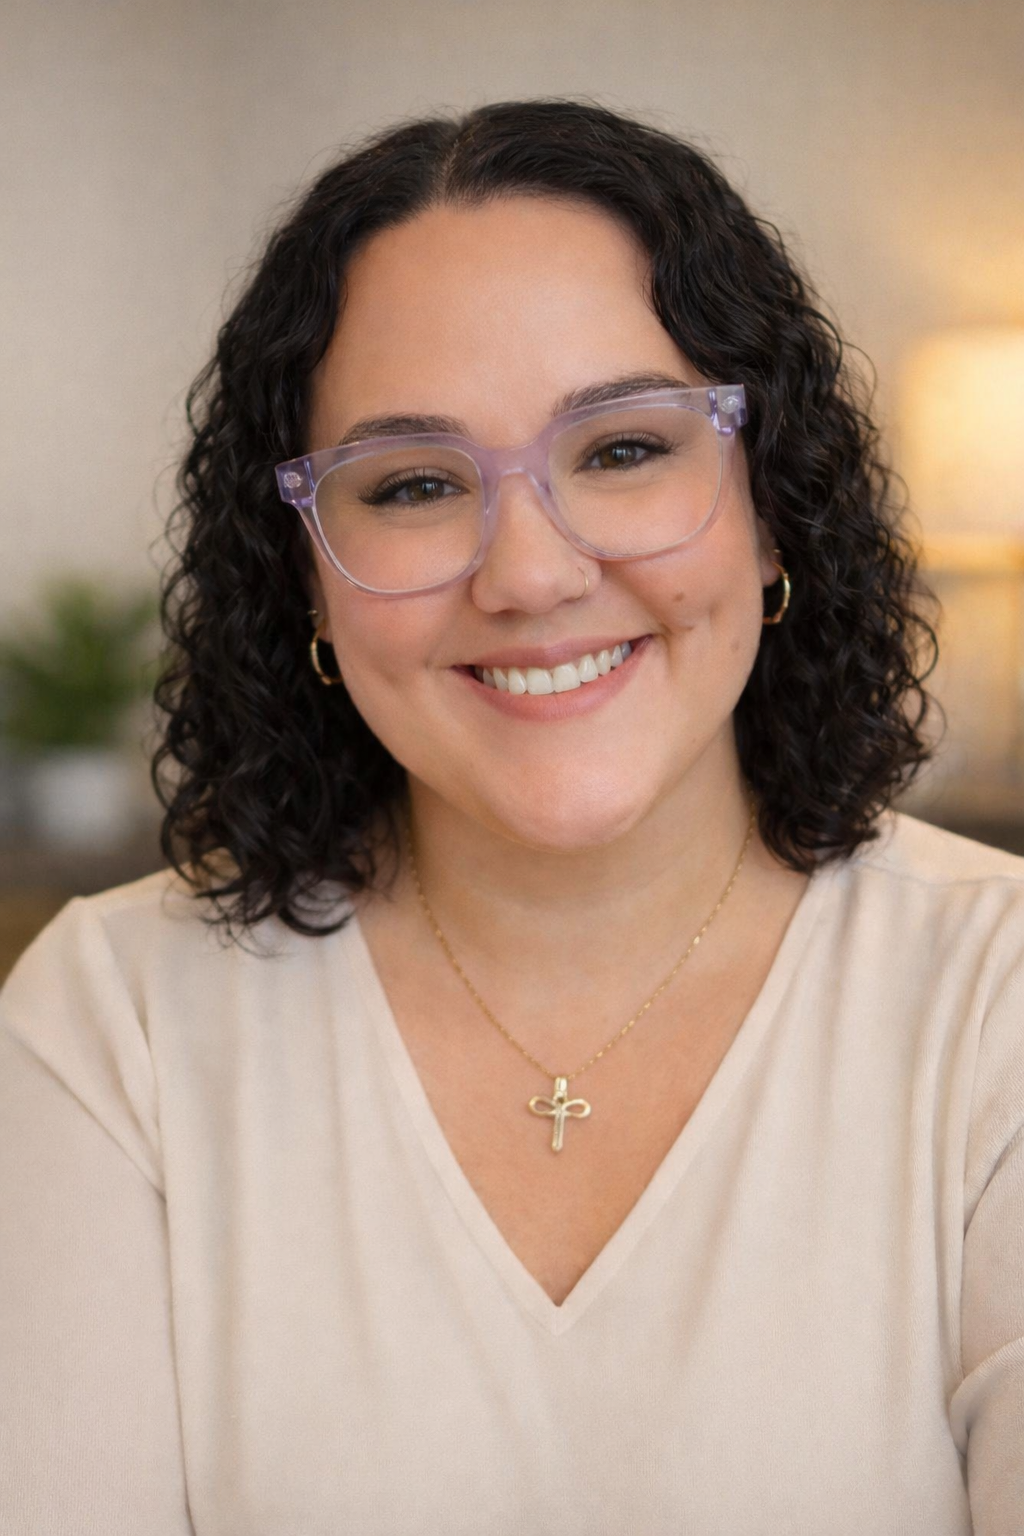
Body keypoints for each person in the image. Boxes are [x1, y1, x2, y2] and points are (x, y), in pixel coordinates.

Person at [1, 98, 1021, 1536]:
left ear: (771, 502)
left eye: (621, 450)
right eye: (414, 486)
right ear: (305, 578)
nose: (532, 575)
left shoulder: (998, 1001)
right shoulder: (115, 1030)